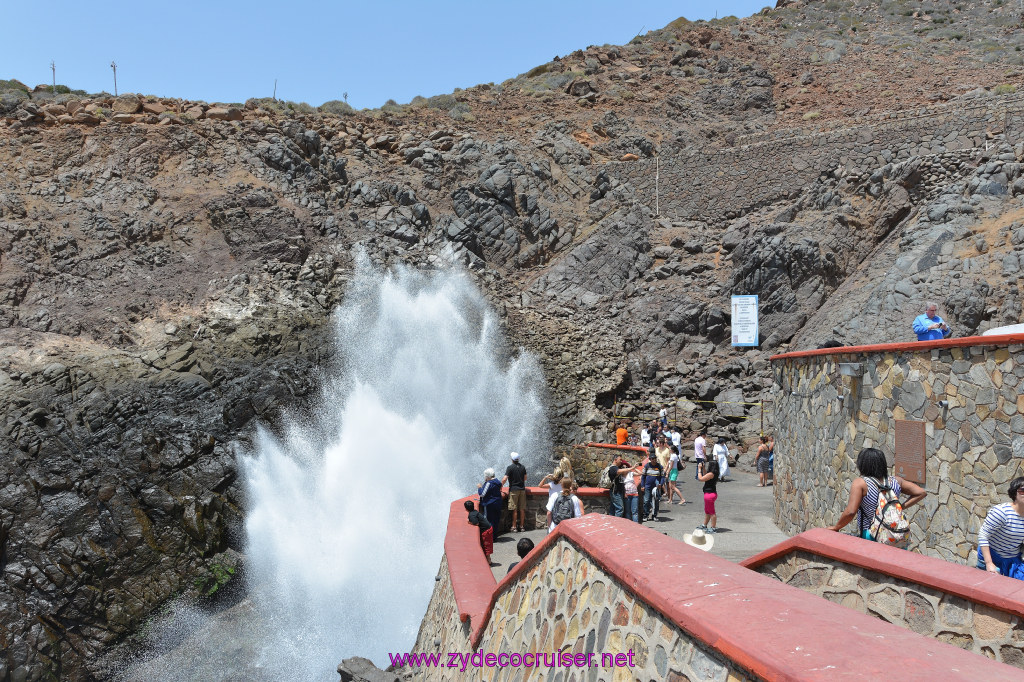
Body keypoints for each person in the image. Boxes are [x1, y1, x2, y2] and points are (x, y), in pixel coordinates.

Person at [829, 447, 926, 540]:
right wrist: (899, 507)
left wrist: (836, 527)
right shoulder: (896, 481)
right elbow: (921, 492)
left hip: (872, 535)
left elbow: (850, 512)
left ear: (863, 465)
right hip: (895, 535)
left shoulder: (861, 484)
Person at [976, 477, 1024, 576]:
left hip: (1013, 560)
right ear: (1015, 493)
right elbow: (983, 535)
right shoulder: (1001, 512)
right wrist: (989, 563)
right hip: (992, 557)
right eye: (1023, 490)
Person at [501, 452, 527, 532]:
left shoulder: (510, 467)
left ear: (512, 459)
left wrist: (500, 485)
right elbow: (525, 478)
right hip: (522, 490)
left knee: (514, 509)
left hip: (513, 490)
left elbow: (505, 479)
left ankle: (514, 527)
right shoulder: (523, 467)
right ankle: (522, 526)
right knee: (522, 509)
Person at [697, 457, 720, 533]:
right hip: (709, 494)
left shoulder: (711, 474)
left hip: (710, 495)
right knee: (707, 511)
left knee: (711, 512)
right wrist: (703, 468)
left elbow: (701, 478)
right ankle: (704, 525)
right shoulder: (712, 473)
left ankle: (713, 527)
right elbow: (705, 475)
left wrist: (699, 469)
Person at [477, 468, 503, 533]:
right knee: (496, 520)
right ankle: (494, 536)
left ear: (488, 476)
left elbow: (482, 494)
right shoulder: (498, 482)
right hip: (498, 503)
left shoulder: (489, 483)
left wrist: (479, 487)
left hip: (490, 504)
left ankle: (490, 537)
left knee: (489, 520)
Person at [640, 454, 664, 522]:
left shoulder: (660, 467)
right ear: (650, 459)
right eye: (652, 459)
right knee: (646, 501)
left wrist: (661, 484)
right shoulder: (647, 466)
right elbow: (643, 477)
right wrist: (642, 486)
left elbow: (662, 477)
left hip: (656, 487)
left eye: (655, 458)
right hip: (647, 486)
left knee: (656, 502)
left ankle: (654, 515)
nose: (654, 460)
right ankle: (646, 515)